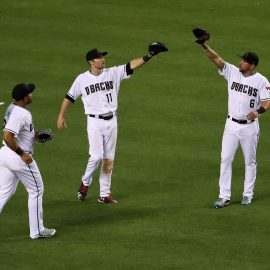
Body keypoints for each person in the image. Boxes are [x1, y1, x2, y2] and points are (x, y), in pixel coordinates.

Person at [57, 44, 168, 204]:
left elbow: (131, 65)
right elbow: (69, 97)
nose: (103, 59)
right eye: (99, 57)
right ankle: (85, 183)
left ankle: (104, 194)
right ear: (91, 61)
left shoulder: (113, 73)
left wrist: (148, 56)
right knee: (96, 157)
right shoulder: (81, 79)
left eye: (103, 56)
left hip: (112, 121)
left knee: (108, 159)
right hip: (94, 122)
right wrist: (61, 116)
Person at [195, 38, 270, 208]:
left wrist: (258, 112)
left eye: (244, 60)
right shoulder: (233, 72)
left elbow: (267, 101)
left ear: (252, 65)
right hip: (231, 125)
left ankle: (248, 194)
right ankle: (224, 196)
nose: (240, 62)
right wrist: (203, 45)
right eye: (241, 59)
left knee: (249, 161)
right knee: (225, 159)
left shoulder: (262, 81)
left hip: (249, 127)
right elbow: (217, 59)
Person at [0, 83, 56, 239]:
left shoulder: (13, 108)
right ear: (25, 98)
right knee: (36, 190)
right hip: (17, 157)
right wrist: (22, 153)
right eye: (30, 93)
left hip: (5, 154)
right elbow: (7, 136)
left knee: (3, 192)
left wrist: (37, 136)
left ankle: (37, 229)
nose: (32, 94)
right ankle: (37, 231)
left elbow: (18, 134)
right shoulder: (20, 114)